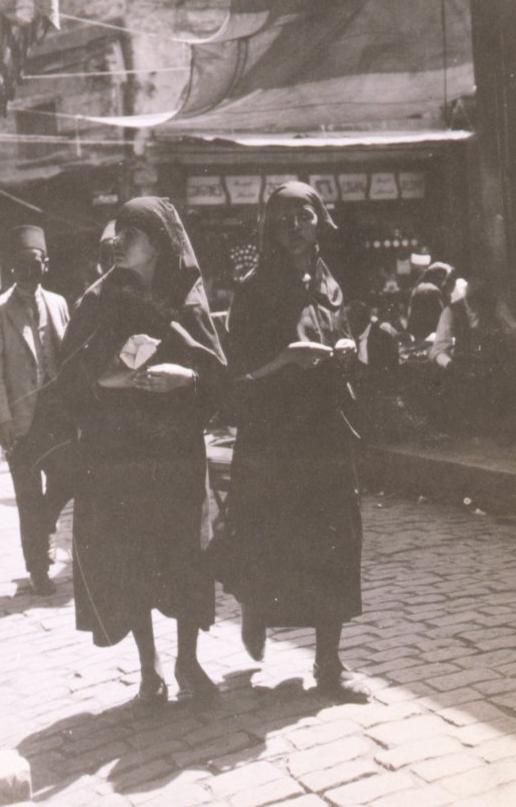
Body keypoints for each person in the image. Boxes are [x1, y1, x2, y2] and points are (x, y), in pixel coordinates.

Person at [57, 197, 226, 707]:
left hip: (175, 454)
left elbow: (219, 375)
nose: (118, 242)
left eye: (131, 233)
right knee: (132, 560)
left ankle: (187, 662)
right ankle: (149, 667)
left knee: (185, 558)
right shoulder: (99, 299)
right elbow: (69, 379)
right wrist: (113, 379)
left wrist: (187, 378)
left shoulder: (187, 299)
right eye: (117, 232)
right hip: (120, 457)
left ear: (158, 242)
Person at [215, 181, 365, 699]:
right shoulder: (255, 289)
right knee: (267, 537)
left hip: (324, 431)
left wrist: (344, 348)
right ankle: (255, 610)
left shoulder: (330, 283)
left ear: (320, 219)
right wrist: (286, 360)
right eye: (283, 221)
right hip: (275, 437)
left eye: (303, 217)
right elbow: (238, 374)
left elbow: (340, 336)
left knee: (335, 539)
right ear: (269, 229)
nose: (294, 228)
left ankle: (329, 664)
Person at [0, 226, 72, 595]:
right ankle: (38, 569)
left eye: (34, 264)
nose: (27, 273)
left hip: (57, 416)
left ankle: (46, 522)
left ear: (45, 265)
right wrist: (1, 421)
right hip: (22, 421)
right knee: (28, 495)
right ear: (11, 269)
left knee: (70, 477)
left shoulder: (59, 303)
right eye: (20, 266)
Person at [429, 274, 516, 437]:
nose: (481, 306)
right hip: (464, 369)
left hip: (494, 368)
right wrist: (451, 365)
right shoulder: (451, 312)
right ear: (468, 297)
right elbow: (438, 350)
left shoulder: (496, 307)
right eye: (475, 300)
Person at [407, 262, 456, 342]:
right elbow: (442, 320)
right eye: (448, 279)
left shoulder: (421, 287)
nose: (448, 282)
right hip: (428, 338)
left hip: (419, 336)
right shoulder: (431, 291)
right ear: (439, 277)